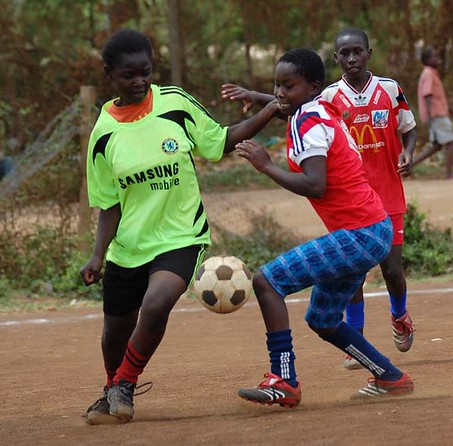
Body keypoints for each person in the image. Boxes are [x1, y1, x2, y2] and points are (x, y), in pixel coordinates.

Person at [80, 29, 279, 425]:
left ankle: (125, 385)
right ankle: (111, 388)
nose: (139, 82)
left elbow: (220, 141)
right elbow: (109, 205)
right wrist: (98, 255)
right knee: (114, 333)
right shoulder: (103, 135)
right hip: (129, 245)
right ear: (110, 75)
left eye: (145, 72)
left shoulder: (174, 104)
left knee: (157, 304)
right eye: (128, 75)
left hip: (181, 235)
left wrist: (270, 109)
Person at [221, 28, 417, 371]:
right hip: (365, 221)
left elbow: (315, 184)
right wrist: (259, 98)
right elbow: (286, 105)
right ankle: (386, 372)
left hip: (368, 220)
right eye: (277, 86)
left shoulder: (325, 111)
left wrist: (266, 166)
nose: (280, 92)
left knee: (268, 282)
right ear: (337, 60)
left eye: (288, 86)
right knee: (323, 316)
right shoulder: (323, 104)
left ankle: (286, 378)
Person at [413, 46, 453, 178]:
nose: (438, 59)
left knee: (437, 146)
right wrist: (430, 116)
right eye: (434, 57)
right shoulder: (428, 74)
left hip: (438, 112)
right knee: (450, 141)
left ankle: (410, 166)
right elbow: (428, 95)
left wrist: (451, 111)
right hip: (436, 114)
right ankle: (449, 173)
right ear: (427, 60)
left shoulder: (431, 73)